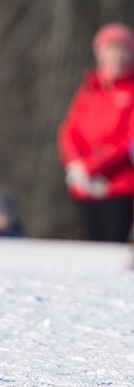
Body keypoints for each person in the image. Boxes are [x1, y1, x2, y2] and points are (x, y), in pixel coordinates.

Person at [58, 22, 134, 243]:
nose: (116, 56)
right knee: (92, 244)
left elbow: (128, 141)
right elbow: (70, 130)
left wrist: (94, 166)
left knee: (112, 244)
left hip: (119, 184)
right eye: (110, 49)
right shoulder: (89, 89)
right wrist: (75, 164)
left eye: (122, 49)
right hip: (84, 185)